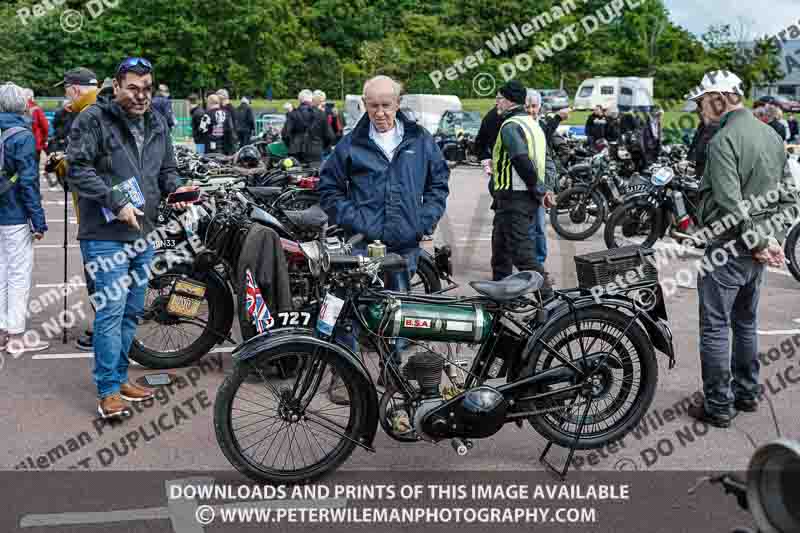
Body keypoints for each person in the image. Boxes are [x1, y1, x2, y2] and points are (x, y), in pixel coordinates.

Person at [66, 57, 194, 419]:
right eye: (133, 88)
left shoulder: (156, 121)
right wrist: (115, 199)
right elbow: (78, 169)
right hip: (105, 232)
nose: (141, 96)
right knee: (111, 311)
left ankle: (120, 377)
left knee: (132, 311)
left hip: (144, 231)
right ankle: (107, 390)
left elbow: (166, 171)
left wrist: (178, 190)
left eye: (147, 89)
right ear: (117, 86)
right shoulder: (93, 118)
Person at [319, 75, 450, 403]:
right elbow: (329, 189)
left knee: (400, 310)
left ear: (397, 104)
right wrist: (357, 222)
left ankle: (392, 369)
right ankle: (344, 375)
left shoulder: (420, 140)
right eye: (373, 105)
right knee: (351, 310)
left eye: (386, 105)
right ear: (365, 104)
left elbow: (439, 184)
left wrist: (422, 221)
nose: (379, 112)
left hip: (405, 244)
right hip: (363, 245)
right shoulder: (351, 144)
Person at [688, 70, 797, 428]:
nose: (701, 109)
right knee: (745, 321)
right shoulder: (770, 135)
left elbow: (732, 205)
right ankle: (747, 393)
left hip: (730, 246)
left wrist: (761, 241)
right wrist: (770, 239)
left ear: (718, 98)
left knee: (717, 325)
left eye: (702, 101)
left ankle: (719, 404)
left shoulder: (723, 141)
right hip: (755, 249)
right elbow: (789, 199)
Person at [50, 67, 100, 351]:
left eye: (67, 88)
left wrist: (61, 163)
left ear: (76, 89)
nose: (65, 94)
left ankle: (103, 329)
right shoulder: (95, 110)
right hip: (102, 206)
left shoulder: (89, 115)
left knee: (97, 271)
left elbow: (84, 165)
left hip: (96, 210)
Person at [489, 80, 554, 297]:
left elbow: (521, 159)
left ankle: (548, 299)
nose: (497, 102)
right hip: (518, 197)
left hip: (514, 197)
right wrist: (543, 190)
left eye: (499, 98)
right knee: (501, 251)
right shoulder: (532, 123)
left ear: (508, 100)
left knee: (522, 254)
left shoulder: (511, 125)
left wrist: (539, 189)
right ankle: (502, 299)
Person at [0, 83, 49, 356]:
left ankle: (2, 332)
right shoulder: (22, 134)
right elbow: (28, 182)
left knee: (1, 272)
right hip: (15, 212)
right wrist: (38, 221)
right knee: (19, 274)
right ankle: (16, 335)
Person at [524, 89, 563, 265]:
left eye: (534, 107)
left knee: (539, 226)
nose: (531, 110)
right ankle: (524, 263)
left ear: (539, 107)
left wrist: (548, 188)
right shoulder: (517, 126)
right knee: (519, 228)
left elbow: (548, 160)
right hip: (520, 187)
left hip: (539, 186)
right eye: (528, 107)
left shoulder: (541, 126)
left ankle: (538, 264)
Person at [282, 89, 334, 164]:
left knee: (295, 175)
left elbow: (285, 134)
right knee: (316, 175)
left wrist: (292, 145)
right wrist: (320, 146)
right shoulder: (321, 114)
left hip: (296, 153)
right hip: (315, 153)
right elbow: (330, 136)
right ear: (312, 100)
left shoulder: (292, 114)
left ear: (299, 100)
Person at [22, 89, 48, 174]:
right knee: (33, 169)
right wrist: (44, 141)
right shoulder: (36, 109)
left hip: (20, 143)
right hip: (35, 143)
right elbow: (45, 126)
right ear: (31, 96)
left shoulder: (16, 108)